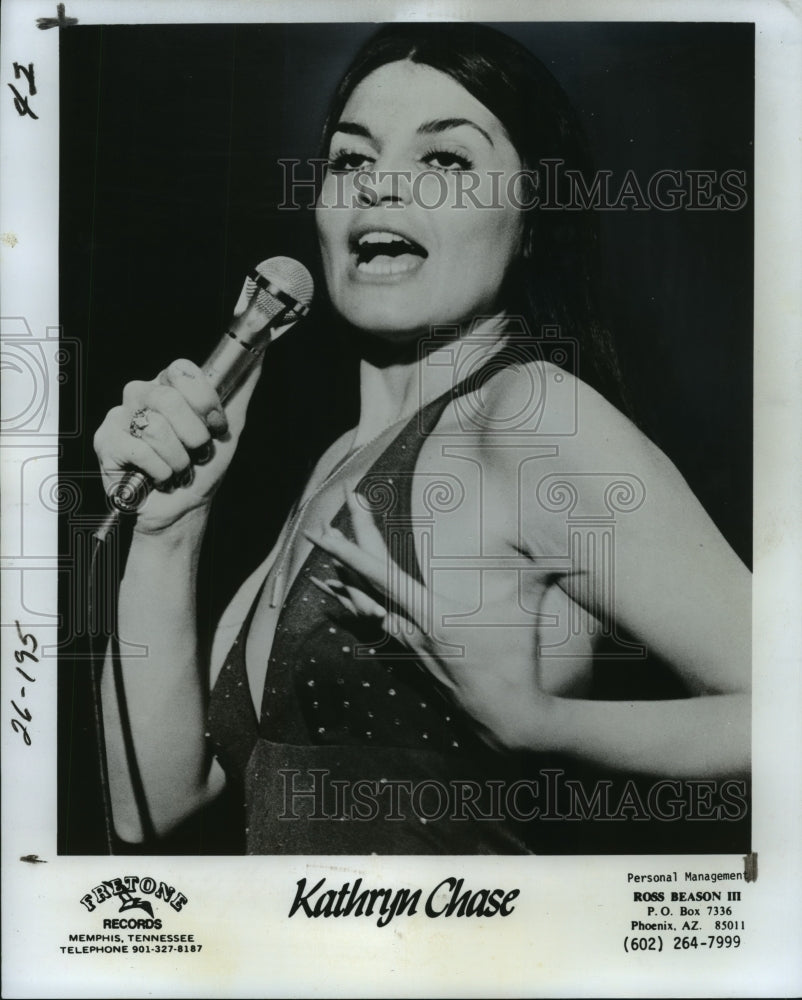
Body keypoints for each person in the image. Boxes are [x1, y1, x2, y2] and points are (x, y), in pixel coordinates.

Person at [93, 24, 750, 854]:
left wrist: (542, 724)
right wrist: (169, 529)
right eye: (351, 160)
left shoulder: (529, 415)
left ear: (536, 218)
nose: (381, 188)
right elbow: (152, 806)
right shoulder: (338, 461)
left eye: (446, 161)